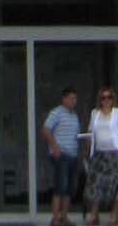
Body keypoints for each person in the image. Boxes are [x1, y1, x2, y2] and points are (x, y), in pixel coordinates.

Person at [82, 85, 118, 226]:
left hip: (115, 153)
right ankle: (94, 215)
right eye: (103, 98)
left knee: (115, 185)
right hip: (99, 153)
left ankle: (113, 215)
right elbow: (90, 133)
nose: (106, 100)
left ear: (113, 99)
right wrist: (87, 150)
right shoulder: (95, 113)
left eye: (109, 97)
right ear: (100, 100)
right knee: (95, 184)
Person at [41, 85, 82, 226]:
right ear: (64, 99)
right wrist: (55, 147)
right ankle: (55, 218)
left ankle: (64, 217)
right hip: (61, 154)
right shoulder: (56, 113)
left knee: (69, 188)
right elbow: (46, 129)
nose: (73, 101)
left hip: (73, 155)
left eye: (75, 98)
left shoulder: (74, 116)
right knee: (61, 186)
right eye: (71, 98)